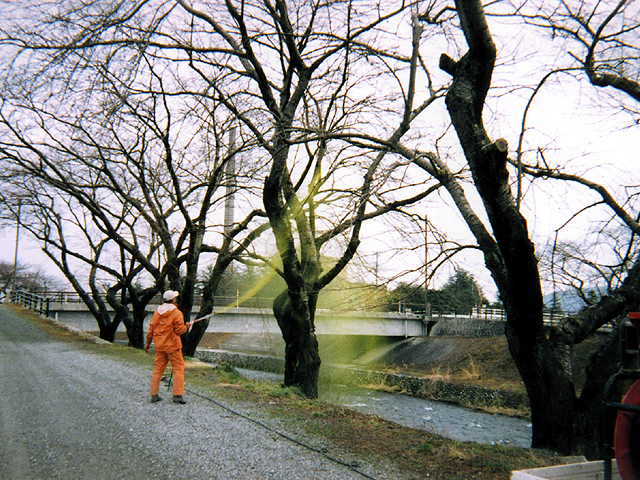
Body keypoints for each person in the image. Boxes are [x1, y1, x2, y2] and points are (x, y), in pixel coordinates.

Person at [144, 290, 191, 404]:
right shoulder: (177, 313)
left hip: (160, 346)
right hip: (173, 346)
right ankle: (177, 395)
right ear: (174, 299)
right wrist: (186, 326)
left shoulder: (157, 312)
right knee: (178, 369)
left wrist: (148, 343)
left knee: (158, 370)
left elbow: (151, 329)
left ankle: (154, 394)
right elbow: (179, 330)